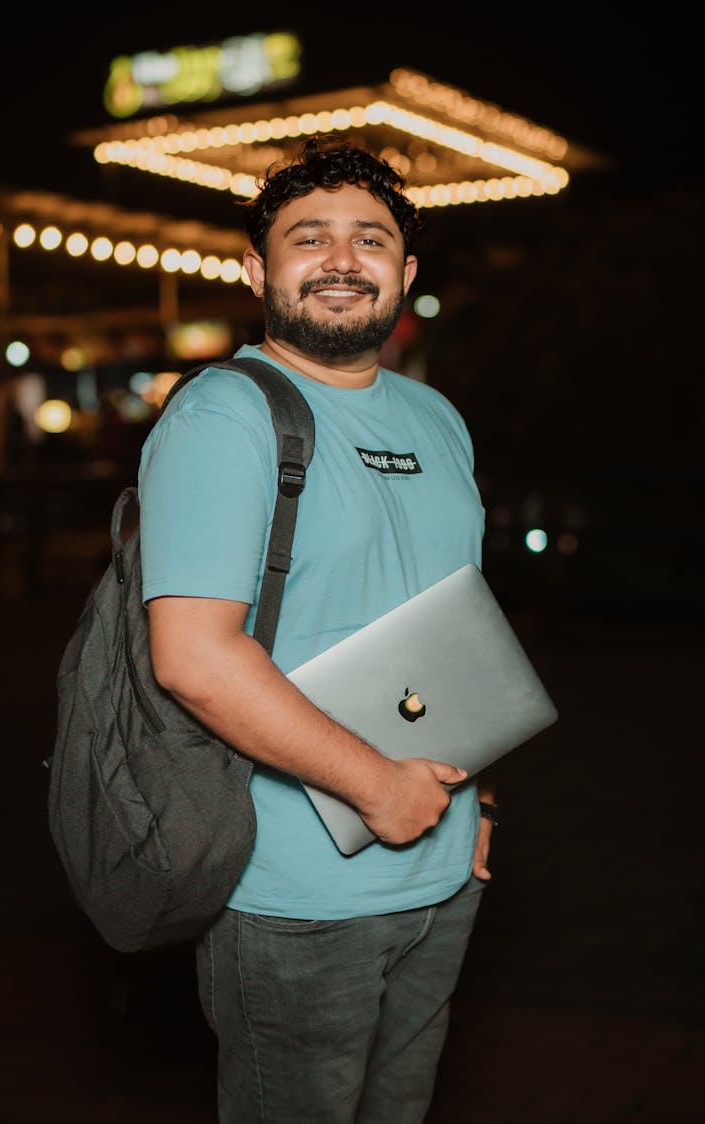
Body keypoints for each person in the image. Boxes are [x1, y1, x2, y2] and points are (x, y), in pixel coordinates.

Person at [139, 135, 497, 1124]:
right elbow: (195, 658)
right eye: (309, 237)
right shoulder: (225, 416)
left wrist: (480, 798)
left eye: (369, 239)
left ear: (406, 271)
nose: (342, 259)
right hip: (295, 892)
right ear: (257, 268)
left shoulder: (439, 418)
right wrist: (378, 785)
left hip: (442, 866)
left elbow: (452, 627)